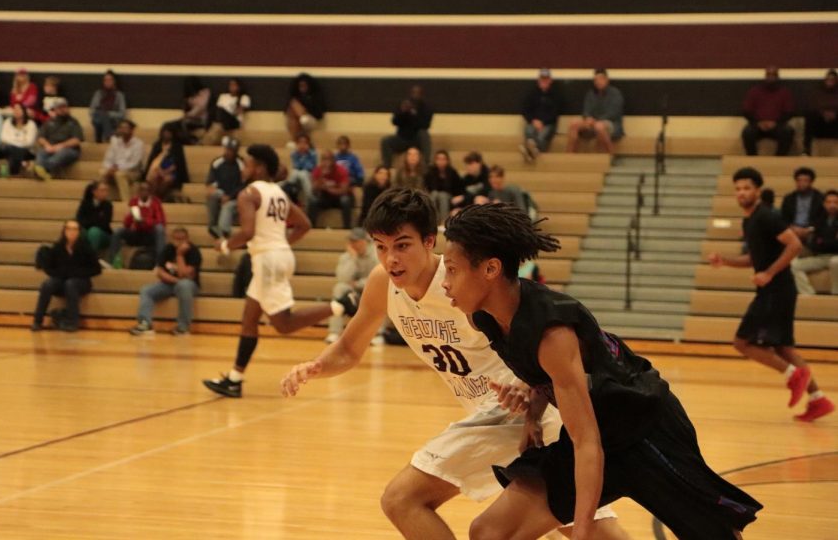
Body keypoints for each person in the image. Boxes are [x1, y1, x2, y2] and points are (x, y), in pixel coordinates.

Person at [280, 188, 627, 540]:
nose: (390, 259)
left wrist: (528, 385)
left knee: (403, 499)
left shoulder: (464, 281)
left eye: (402, 245)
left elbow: (542, 330)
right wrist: (317, 366)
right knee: (592, 531)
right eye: (381, 246)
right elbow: (349, 348)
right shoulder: (381, 284)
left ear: (430, 241)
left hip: (519, 409)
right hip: (497, 413)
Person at [439, 202, 762, 540]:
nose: (445, 282)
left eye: (451, 269)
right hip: (596, 433)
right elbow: (542, 375)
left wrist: (581, 532)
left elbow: (587, 442)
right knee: (489, 532)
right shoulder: (484, 316)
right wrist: (533, 412)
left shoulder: (552, 333)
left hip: (647, 432)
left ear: (490, 269)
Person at [202, 144, 356, 398]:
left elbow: (249, 232)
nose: (245, 167)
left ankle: (340, 306)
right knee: (250, 318)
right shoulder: (279, 192)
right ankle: (235, 378)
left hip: (267, 261)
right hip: (278, 255)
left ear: (260, 167)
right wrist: (281, 243)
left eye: (248, 163)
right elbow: (304, 224)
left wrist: (226, 245)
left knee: (284, 324)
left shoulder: (249, 194)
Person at [708, 167, 833, 422]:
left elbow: (795, 245)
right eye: (738, 189)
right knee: (783, 347)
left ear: (757, 190)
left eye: (747, 188)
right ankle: (818, 398)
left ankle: (792, 375)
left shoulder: (766, 215)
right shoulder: (750, 220)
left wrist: (769, 273)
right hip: (779, 289)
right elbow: (755, 258)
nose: (741, 193)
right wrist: (726, 261)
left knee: (742, 342)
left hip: (777, 288)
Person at [129, 227, 201, 336]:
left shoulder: (194, 251)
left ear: (187, 239)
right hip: (170, 283)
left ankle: (183, 327)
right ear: (171, 239)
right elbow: (160, 272)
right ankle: (145, 324)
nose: (179, 242)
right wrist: (176, 281)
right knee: (146, 290)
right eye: (176, 239)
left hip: (190, 285)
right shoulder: (167, 249)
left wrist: (179, 255)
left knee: (184, 285)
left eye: (182, 239)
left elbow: (185, 275)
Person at [32, 219, 101, 332]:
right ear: (64, 231)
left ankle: (72, 322)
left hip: (81, 282)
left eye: (75, 229)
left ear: (79, 232)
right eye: (69, 229)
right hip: (61, 280)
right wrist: (60, 274)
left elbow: (97, 269)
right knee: (47, 284)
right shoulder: (58, 247)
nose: (72, 232)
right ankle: (37, 321)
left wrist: (76, 273)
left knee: (71, 284)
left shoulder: (85, 247)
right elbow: (49, 268)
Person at [325, 227, 383, 344]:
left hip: (372, 290)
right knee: (339, 288)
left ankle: (379, 334)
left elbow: (381, 278)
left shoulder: (377, 254)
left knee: (384, 291)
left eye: (356, 241)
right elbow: (343, 279)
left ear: (365, 241)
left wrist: (358, 283)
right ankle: (334, 332)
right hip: (355, 292)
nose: (353, 244)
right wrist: (353, 258)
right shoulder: (347, 257)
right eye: (351, 241)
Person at [791, 189, 838, 295]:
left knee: (835, 262)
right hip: (821, 256)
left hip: (836, 256)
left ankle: (836, 294)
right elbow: (815, 241)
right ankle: (808, 294)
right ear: (824, 204)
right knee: (794, 265)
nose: (832, 205)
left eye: (835, 202)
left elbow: (828, 243)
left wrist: (822, 241)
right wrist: (827, 240)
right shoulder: (820, 218)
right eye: (829, 202)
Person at [108, 181, 167, 265]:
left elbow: (161, 221)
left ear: (150, 192)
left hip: (149, 234)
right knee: (118, 231)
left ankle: (160, 264)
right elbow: (126, 224)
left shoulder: (155, 202)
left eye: (146, 190)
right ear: (138, 192)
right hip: (135, 232)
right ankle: (112, 262)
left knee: (160, 229)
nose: (144, 192)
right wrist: (130, 216)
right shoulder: (134, 201)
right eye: (142, 190)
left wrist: (145, 221)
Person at [566, 69, 624, 154]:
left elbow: (614, 113)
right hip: (592, 123)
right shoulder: (590, 94)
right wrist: (588, 118)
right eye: (596, 80)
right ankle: (569, 156)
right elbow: (586, 111)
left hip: (611, 124)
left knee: (599, 126)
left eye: (601, 79)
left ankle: (611, 154)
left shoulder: (615, 93)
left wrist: (596, 120)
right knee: (573, 123)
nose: (598, 82)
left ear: (606, 80)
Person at [741, 66, 795, 156]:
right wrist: (758, 123)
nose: (770, 77)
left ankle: (779, 160)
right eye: (768, 74)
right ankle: (752, 159)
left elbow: (789, 112)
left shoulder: (785, 92)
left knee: (788, 131)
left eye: (773, 75)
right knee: (747, 132)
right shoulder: (754, 91)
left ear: (777, 77)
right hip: (757, 125)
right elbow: (746, 111)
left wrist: (776, 123)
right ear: (765, 76)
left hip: (777, 126)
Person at [380, 84, 433, 167]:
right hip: (402, 138)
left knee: (424, 134)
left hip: (417, 140)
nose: (415, 95)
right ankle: (386, 166)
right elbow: (394, 122)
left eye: (418, 93)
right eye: (413, 93)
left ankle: (427, 164)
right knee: (385, 141)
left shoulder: (426, 108)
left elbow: (426, 125)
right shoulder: (403, 105)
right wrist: (402, 113)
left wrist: (414, 114)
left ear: (422, 95)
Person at [34, 98, 83, 181]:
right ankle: (42, 172)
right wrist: (47, 145)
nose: (62, 110)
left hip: (68, 149)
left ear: (68, 108)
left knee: (61, 154)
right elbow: (40, 137)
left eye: (64, 107)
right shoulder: (49, 122)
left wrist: (60, 146)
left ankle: (42, 169)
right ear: (55, 109)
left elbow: (76, 140)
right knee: (41, 152)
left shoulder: (74, 122)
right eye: (59, 108)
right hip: (50, 147)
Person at [206, 137, 244, 239]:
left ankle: (223, 232)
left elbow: (242, 185)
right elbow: (210, 182)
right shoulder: (217, 162)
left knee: (228, 205)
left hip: (236, 197)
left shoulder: (241, 164)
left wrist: (230, 197)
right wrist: (218, 192)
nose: (228, 152)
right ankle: (212, 225)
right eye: (227, 149)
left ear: (236, 151)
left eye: (231, 150)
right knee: (212, 194)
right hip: (221, 193)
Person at [520, 68, 562, 161]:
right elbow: (525, 110)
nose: (544, 81)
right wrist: (533, 120)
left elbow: (555, 112)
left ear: (550, 80)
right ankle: (532, 151)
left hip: (549, 124)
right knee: (529, 130)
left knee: (542, 136)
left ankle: (531, 152)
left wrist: (543, 122)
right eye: (542, 79)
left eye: (546, 79)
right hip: (534, 122)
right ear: (538, 80)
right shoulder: (532, 93)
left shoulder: (556, 95)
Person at [308, 149, 355, 229]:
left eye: (328, 159)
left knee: (345, 200)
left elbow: (343, 190)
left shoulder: (341, 170)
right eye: (324, 159)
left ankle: (347, 228)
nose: (326, 162)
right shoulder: (318, 170)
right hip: (325, 198)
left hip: (338, 199)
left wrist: (328, 189)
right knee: (313, 200)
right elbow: (314, 189)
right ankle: (311, 228)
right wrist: (321, 176)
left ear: (333, 160)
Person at [0, 103, 37, 177]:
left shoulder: (31, 124)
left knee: (15, 151)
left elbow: (29, 142)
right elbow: (3, 138)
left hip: (26, 151)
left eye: (19, 109)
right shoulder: (7, 122)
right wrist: (20, 141)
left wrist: (12, 142)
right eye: (15, 109)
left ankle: (13, 175)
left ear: (24, 111)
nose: (16, 111)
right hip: (7, 149)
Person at [100, 119, 144, 201]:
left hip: (133, 172)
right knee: (103, 172)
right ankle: (102, 200)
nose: (123, 130)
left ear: (132, 130)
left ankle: (126, 202)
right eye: (121, 128)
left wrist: (117, 168)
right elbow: (107, 159)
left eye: (126, 128)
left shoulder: (138, 144)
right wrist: (110, 168)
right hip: (115, 170)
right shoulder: (115, 142)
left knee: (119, 175)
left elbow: (134, 163)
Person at [780, 166, 825, 242]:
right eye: (799, 180)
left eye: (805, 181)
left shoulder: (820, 198)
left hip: (812, 230)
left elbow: (822, 218)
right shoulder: (788, 198)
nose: (802, 183)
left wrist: (809, 229)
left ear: (811, 182)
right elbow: (783, 218)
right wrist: (792, 228)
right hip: (792, 229)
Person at [144, 127, 189, 201]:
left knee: (166, 180)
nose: (166, 135)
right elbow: (152, 161)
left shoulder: (177, 146)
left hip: (172, 172)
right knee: (154, 177)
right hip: (157, 171)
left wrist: (165, 171)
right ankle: (154, 198)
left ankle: (157, 198)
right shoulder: (157, 145)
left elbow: (178, 164)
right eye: (165, 133)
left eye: (168, 133)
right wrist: (160, 171)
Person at [804, 69, 838, 155]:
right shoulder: (817, 92)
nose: (830, 81)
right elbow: (812, 106)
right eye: (828, 79)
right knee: (810, 116)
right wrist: (823, 114)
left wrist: (834, 114)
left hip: (835, 124)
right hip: (820, 123)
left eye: (832, 79)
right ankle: (806, 150)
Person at [424, 149, 463, 224]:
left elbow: (457, 189)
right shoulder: (430, 172)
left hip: (449, 196)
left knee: (443, 195)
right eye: (438, 159)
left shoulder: (452, 172)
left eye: (443, 159)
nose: (441, 161)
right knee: (434, 194)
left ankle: (444, 221)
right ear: (435, 160)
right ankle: (432, 220)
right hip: (434, 195)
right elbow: (429, 187)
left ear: (447, 160)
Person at [208, 77, 251, 144]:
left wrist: (227, 111)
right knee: (217, 124)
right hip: (222, 121)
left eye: (234, 85)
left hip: (234, 121)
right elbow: (218, 110)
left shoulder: (244, 97)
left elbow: (239, 111)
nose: (232, 87)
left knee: (222, 114)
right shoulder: (223, 96)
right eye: (230, 85)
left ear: (239, 87)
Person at [76, 181, 114, 257]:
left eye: (106, 190)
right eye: (102, 190)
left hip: (104, 235)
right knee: (77, 231)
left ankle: (91, 258)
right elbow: (79, 220)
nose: (105, 193)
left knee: (94, 232)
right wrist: (94, 221)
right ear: (94, 192)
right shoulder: (85, 204)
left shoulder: (108, 205)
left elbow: (104, 223)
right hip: (87, 231)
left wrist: (90, 223)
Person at [88, 70, 127, 142]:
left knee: (102, 117)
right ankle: (109, 136)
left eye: (110, 80)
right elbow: (92, 111)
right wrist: (103, 114)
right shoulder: (98, 94)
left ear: (114, 81)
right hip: (98, 118)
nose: (107, 82)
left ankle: (100, 141)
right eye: (105, 80)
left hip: (114, 121)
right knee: (99, 116)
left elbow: (122, 114)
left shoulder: (119, 95)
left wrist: (108, 114)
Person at [285, 73, 326, 138]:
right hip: (298, 119)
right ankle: (295, 139)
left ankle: (296, 138)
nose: (302, 88)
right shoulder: (295, 97)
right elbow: (287, 111)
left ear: (309, 86)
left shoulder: (315, 96)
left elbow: (319, 114)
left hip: (311, 119)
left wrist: (305, 110)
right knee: (293, 112)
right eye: (300, 86)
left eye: (304, 86)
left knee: (301, 117)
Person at [287, 133, 317, 206]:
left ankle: (310, 197)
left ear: (308, 144)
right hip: (297, 174)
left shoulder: (312, 154)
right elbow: (296, 165)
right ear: (296, 144)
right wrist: (301, 157)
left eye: (305, 143)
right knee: (294, 173)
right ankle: (291, 193)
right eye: (300, 143)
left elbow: (311, 167)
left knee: (302, 174)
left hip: (308, 174)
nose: (302, 145)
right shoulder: (294, 154)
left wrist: (303, 158)